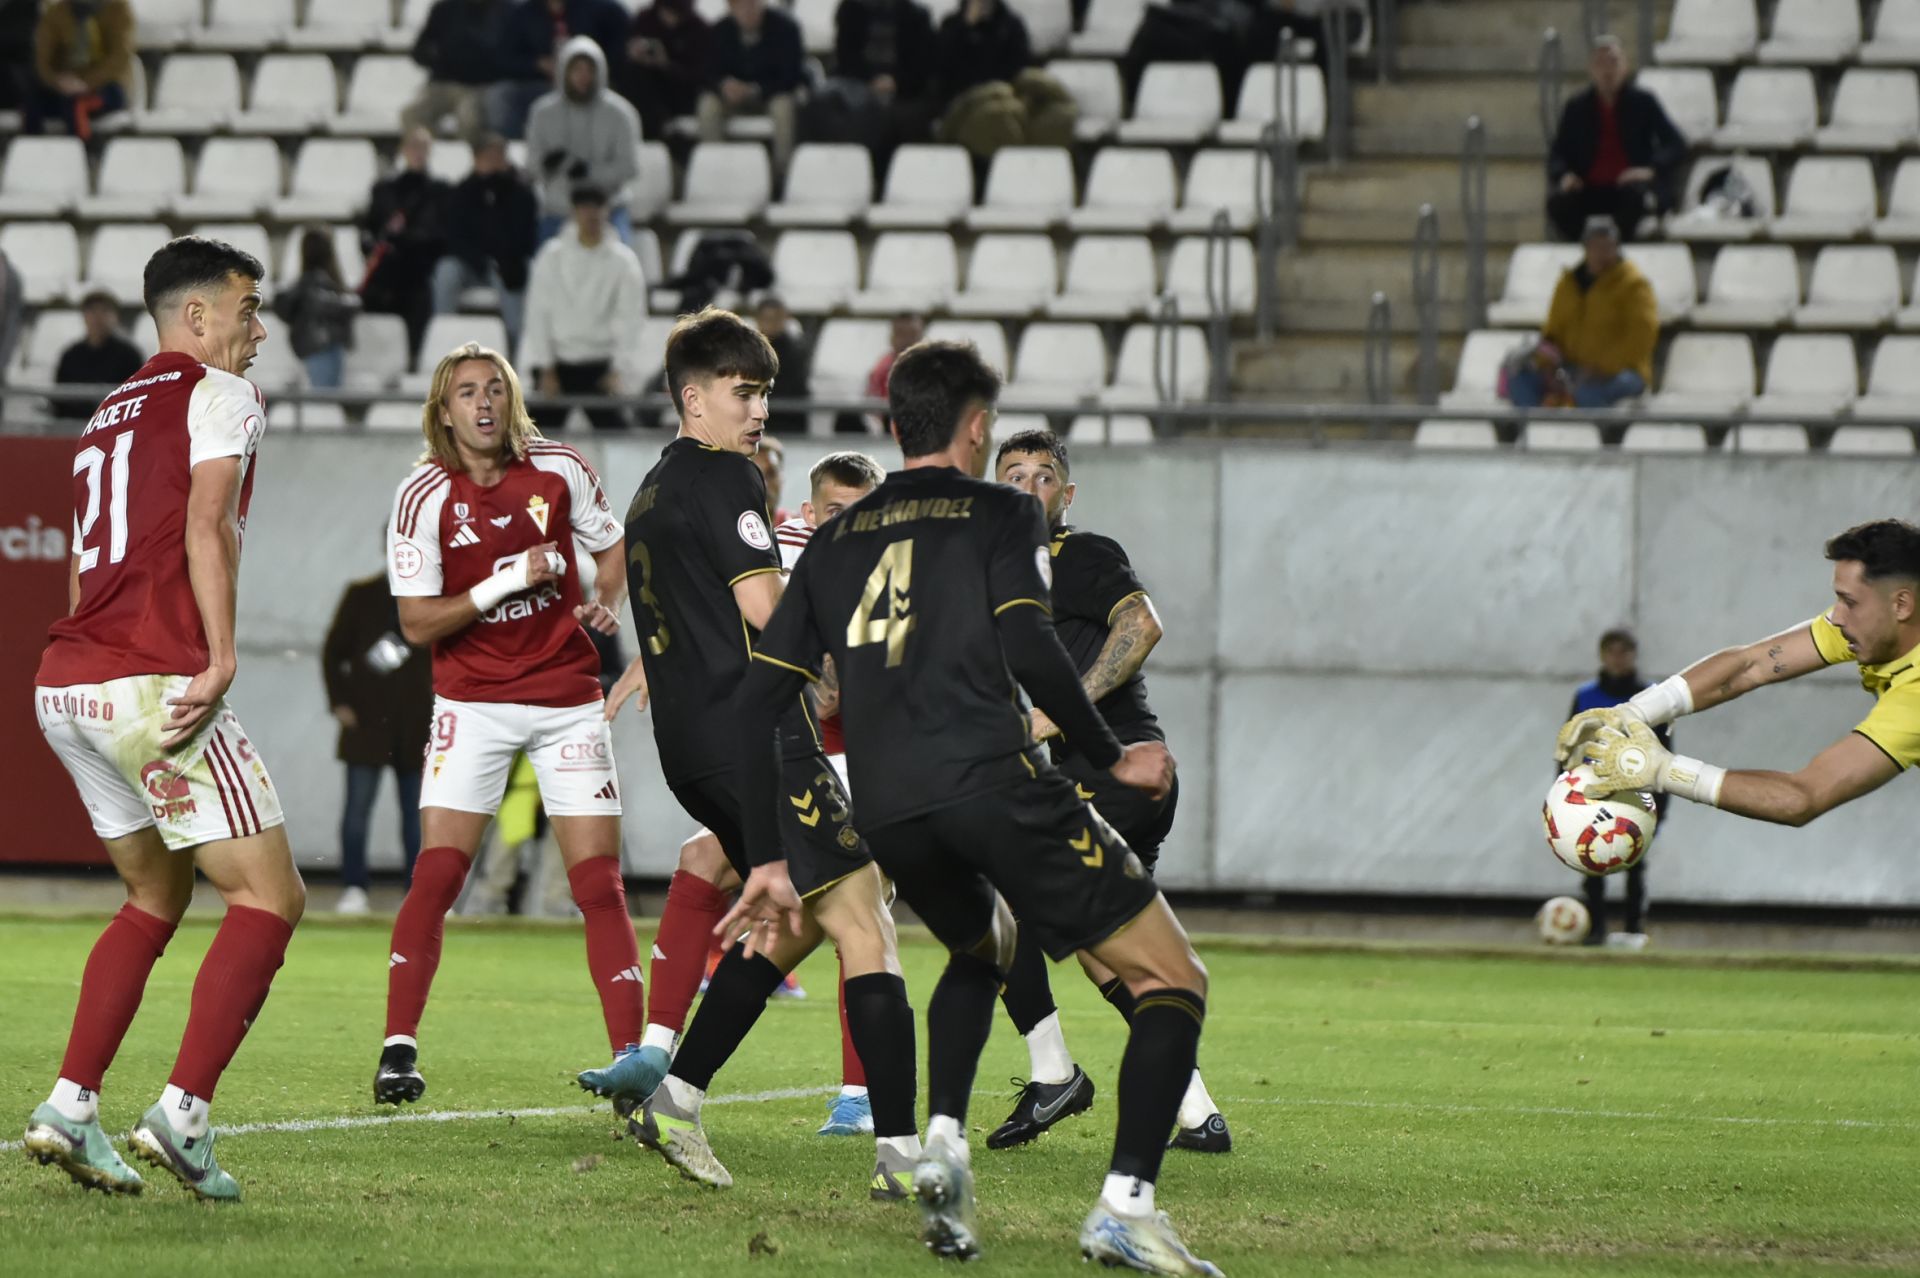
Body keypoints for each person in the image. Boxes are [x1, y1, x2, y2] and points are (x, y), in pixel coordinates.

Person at [724, 340, 1218, 1272]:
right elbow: (1031, 649)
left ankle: (943, 1148)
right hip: (993, 782)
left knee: (983, 945)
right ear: (978, 426)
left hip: (890, 809)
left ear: (893, 422)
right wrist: (1114, 755)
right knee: (1173, 978)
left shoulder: (835, 539)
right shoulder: (1001, 512)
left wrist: (766, 854)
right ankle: (1126, 1207)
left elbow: (757, 705)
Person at [600, 307, 921, 1200]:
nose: (759, 413)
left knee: (799, 918)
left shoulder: (653, 489)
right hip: (764, 740)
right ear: (693, 398)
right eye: (743, 394)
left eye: (765, 395)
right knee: (866, 917)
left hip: (695, 752)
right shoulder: (728, 475)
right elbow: (765, 611)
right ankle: (903, 1155)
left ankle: (675, 1097)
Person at [25, 236, 301, 1202]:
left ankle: (70, 1104)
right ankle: (183, 1116)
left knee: (154, 896)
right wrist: (218, 657)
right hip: (150, 683)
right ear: (197, 315)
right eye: (247, 308)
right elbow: (207, 522)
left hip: (68, 684)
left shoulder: (105, 411)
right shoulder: (220, 392)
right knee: (269, 898)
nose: (258, 331)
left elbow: (82, 563)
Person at [373, 341, 642, 1108]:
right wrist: (504, 582)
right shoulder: (423, 493)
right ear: (444, 410)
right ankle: (397, 1049)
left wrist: (607, 602)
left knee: (598, 884)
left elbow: (614, 547)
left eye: (495, 388)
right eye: (467, 392)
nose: (484, 402)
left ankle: (631, 1061)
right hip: (472, 702)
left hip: (567, 698)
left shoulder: (559, 467)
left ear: (512, 398)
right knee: (438, 876)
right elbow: (417, 623)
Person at [988, 429, 1231, 1157]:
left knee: (998, 903)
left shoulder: (1082, 555)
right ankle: (1196, 1112)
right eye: (1012, 475)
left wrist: (1060, 712)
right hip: (1099, 779)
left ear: (1067, 494)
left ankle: (1053, 1074)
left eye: (1043, 476)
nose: (1028, 486)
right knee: (1107, 948)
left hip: (1115, 772)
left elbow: (1142, 622)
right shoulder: (996, 575)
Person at [1564, 520, 1920, 831]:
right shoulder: (1868, 624)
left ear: (1902, 605)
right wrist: (1633, 712)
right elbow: (1753, 664)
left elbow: (1803, 798)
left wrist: (1663, 770)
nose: (1837, 617)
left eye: (1850, 602)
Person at [321, 560, 435, 915]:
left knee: (417, 816)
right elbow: (332, 652)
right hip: (367, 724)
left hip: (417, 726)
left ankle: (417, 889)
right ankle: (354, 887)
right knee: (357, 811)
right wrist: (340, 702)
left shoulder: (435, 596)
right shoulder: (362, 594)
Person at [1562, 627, 1667, 950]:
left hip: (1636, 792)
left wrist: (1662, 802)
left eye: (1624, 652)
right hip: (1593, 790)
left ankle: (1634, 929)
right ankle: (1595, 929)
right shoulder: (1586, 696)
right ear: (1602, 656)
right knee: (1591, 859)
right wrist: (1565, 790)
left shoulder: (1650, 698)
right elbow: (1570, 745)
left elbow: (1664, 751)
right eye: (1612, 652)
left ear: (1633, 656)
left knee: (1635, 862)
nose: (1618, 659)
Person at [520, 184, 647, 432]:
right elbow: (538, 314)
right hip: (557, 364)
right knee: (529, 441)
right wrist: (546, 367)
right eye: (584, 207)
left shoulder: (624, 262)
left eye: (597, 207)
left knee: (622, 439)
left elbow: (632, 318)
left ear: (606, 211)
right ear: (574, 212)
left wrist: (618, 369)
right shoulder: (551, 257)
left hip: (601, 366)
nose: (591, 214)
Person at [1504, 216, 1654, 412]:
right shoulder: (1568, 284)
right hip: (1572, 369)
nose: (1602, 253)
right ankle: (1536, 426)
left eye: (1607, 246)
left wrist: (1600, 368)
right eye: (1596, 246)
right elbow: (1553, 332)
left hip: (1621, 371)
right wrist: (1547, 363)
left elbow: (1641, 339)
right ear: (1586, 248)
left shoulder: (1634, 285)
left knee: (1586, 393)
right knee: (1520, 379)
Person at [1545, 35, 1685, 244]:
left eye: (1613, 62)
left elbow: (1676, 144)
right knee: (1558, 203)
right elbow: (1557, 154)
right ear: (1592, 69)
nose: (1607, 70)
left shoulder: (1643, 102)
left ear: (1624, 67)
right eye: (1601, 63)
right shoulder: (1577, 106)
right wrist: (1565, 175)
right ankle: (1589, 249)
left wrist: (1649, 170)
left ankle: (1614, 248)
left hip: (1628, 188)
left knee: (1636, 200)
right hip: (1588, 188)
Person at [527, 36, 642, 244]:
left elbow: (629, 168)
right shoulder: (542, 113)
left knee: (621, 256)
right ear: (564, 72)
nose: (583, 76)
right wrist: (549, 165)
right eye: (577, 69)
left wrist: (589, 171)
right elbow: (532, 166)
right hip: (558, 209)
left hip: (608, 210)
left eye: (589, 70)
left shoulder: (621, 114)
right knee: (543, 258)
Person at [433, 134, 540, 350]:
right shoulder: (461, 192)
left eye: (499, 155)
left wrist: (502, 260)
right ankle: (441, 340)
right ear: (476, 158)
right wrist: (479, 260)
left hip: (506, 265)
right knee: (446, 270)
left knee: (514, 276)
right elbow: (454, 237)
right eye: (488, 156)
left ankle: (516, 347)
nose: (494, 161)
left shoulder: (521, 192)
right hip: (471, 265)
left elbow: (525, 236)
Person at [933, 0, 1074, 162]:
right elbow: (943, 68)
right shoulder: (952, 25)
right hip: (963, 99)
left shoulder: (1010, 25)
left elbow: (1019, 68)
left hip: (1005, 96)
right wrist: (966, 27)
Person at [360, 127, 450, 362]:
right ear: (403, 150)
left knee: (419, 296)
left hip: (420, 267)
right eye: (413, 146)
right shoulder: (384, 190)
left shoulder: (439, 191)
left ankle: (414, 356)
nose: (418, 152)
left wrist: (407, 240)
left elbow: (440, 235)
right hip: (388, 266)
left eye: (423, 147)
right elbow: (369, 230)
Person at [810, 0, 936, 166]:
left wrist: (896, 82)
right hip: (858, 83)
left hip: (903, 89)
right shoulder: (851, 9)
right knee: (828, 102)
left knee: (901, 115)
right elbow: (845, 57)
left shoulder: (917, 15)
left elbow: (922, 66)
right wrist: (871, 80)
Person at [490, 0, 631, 140]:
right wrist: (537, 63)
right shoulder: (523, 14)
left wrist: (591, 64)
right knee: (502, 95)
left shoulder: (599, 9)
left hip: (588, 83)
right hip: (540, 84)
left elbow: (621, 37)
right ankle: (515, 145)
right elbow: (505, 58)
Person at [699, 0, 805, 175]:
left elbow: (791, 77)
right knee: (708, 105)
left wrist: (754, 90)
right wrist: (723, 85)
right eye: (741, 6)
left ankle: (782, 175)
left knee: (783, 106)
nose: (748, 11)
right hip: (732, 98)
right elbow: (707, 73)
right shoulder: (719, 31)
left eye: (752, 4)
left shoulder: (785, 29)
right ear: (731, 8)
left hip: (769, 95)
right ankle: (715, 171)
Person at [404, 0, 511, 142]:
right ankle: (429, 152)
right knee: (411, 114)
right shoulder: (444, 8)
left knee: (469, 118)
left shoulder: (504, 10)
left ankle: (474, 156)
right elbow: (419, 52)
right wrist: (439, 59)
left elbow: (507, 56)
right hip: (442, 84)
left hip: (479, 87)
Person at [27, 0, 132, 139]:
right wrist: (58, 81)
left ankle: (82, 150)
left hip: (106, 87)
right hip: (65, 85)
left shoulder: (117, 9)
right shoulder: (56, 13)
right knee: (33, 100)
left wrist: (86, 83)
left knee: (77, 104)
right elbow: (42, 61)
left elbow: (120, 57)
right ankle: (31, 149)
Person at [275, 229, 359, 390]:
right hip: (323, 348)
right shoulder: (321, 287)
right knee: (324, 397)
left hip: (316, 348)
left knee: (323, 397)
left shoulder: (306, 285)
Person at [617, 0, 711, 140]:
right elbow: (623, 57)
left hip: (681, 95)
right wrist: (635, 54)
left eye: (675, 14)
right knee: (634, 75)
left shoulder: (699, 29)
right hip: (645, 92)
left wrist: (666, 64)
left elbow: (699, 77)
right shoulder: (645, 21)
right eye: (666, 12)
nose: (670, 18)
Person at [53, 289, 144, 420]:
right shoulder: (70, 355)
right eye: (92, 311)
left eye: (105, 311)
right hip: (73, 424)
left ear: (116, 317)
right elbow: (60, 397)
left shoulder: (129, 355)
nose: (98, 317)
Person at [848, 310, 922, 434]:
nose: (907, 341)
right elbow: (872, 410)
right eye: (901, 334)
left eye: (912, 335)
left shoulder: (933, 370)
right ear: (892, 338)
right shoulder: (882, 369)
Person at [754, 294, 810, 437]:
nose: (771, 324)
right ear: (758, 320)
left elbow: (795, 389)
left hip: (788, 423)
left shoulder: (794, 352)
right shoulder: (750, 350)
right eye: (767, 319)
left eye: (775, 319)